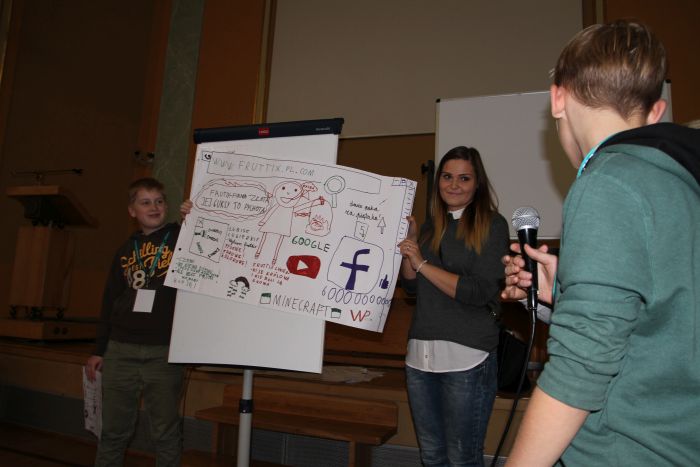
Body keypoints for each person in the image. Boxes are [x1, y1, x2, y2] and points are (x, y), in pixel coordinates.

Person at [501, 21, 700, 466]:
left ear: (557, 97)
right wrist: (564, 292)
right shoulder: (681, 183)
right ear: (657, 111)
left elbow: (580, 370)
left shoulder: (608, 182)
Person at [399, 146, 509, 467]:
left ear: (478, 183)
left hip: (468, 358)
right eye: (447, 177)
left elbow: (479, 291)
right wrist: (411, 245)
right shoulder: (431, 226)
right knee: (432, 456)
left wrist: (421, 263)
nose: (454, 185)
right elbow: (411, 287)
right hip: (420, 357)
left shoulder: (493, 225)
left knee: (463, 459)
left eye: (464, 178)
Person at [85, 178, 189, 467]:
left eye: (159, 201)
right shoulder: (124, 250)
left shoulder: (181, 238)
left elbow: (207, 237)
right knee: (113, 432)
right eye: (145, 202)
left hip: (164, 352)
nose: (154, 207)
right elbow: (110, 301)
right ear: (132, 211)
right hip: (121, 350)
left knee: (165, 433)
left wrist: (195, 217)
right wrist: (98, 350)